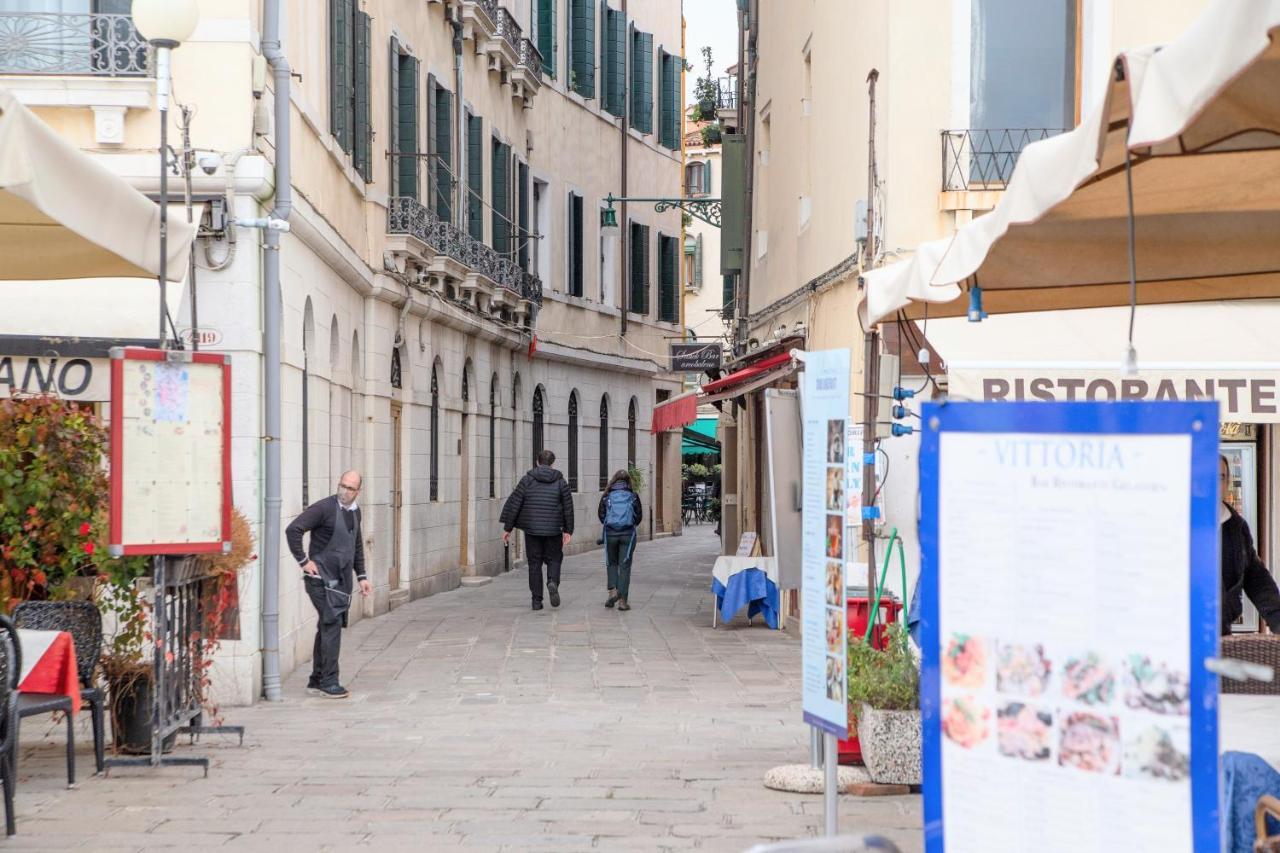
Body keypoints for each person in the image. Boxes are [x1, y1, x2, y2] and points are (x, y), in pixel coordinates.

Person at [286, 470, 372, 698]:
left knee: (327, 625)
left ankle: (316, 679)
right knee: (331, 623)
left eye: (350, 488)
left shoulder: (355, 513)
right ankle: (329, 681)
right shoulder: (323, 508)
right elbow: (293, 529)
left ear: (358, 492)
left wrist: (362, 576)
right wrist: (304, 561)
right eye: (342, 485)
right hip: (319, 580)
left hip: (341, 581)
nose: (344, 490)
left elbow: (357, 546)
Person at [501, 449, 574, 610]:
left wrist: (508, 528)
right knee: (554, 559)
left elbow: (515, 504)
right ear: (553, 464)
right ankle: (552, 581)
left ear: (537, 462)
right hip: (554, 530)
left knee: (534, 564)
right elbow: (568, 507)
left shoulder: (527, 480)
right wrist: (568, 530)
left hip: (532, 530)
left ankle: (536, 601)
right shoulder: (561, 482)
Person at [1220, 454, 1280, 635]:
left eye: (1220, 478)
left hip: (1221, 633)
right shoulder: (1178, 523)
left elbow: (1256, 576)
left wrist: (1277, 620)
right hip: (1176, 634)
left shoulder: (1236, 526)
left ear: (1228, 483)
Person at [598, 469, 642, 610]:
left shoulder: (607, 496)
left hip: (610, 534)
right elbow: (639, 516)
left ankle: (612, 593)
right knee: (624, 566)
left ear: (614, 480)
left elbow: (601, 515)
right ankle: (623, 601)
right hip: (627, 535)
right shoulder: (633, 496)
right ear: (628, 481)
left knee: (611, 563)